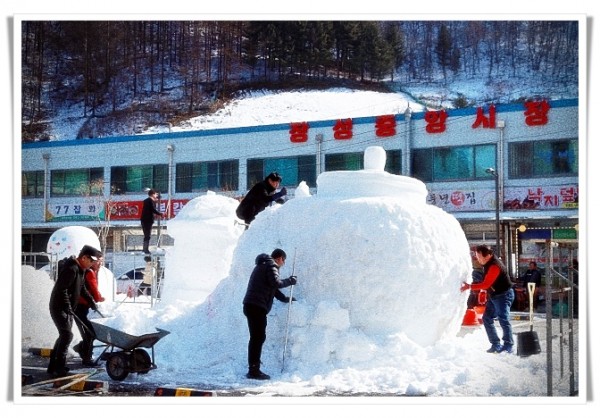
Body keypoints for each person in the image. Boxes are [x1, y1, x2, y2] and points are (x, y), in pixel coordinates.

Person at [47, 245, 103, 377]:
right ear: (84, 257)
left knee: (64, 335)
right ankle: (58, 368)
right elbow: (62, 290)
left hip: (67, 308)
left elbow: (82, 288)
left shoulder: (81, 269)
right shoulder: (71, 269)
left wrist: (91, 302)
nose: (92, 263)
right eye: (91, 260)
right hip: (59, 307)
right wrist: (68, 306)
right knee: (67, 335)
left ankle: (53, 366)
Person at [242, 248, 297, 380]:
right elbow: (276, 283)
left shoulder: (263, 265)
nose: (283, 264)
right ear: (280, 258)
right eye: (284, 261)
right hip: (256, 306)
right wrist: (290, 281)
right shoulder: (271, 265)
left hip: (251, 305)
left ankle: (253, 368)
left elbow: (272, 288)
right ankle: (254, 370)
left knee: (257, 337)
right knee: (258, 338)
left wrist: (285, 299)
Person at [461, 245, 515, 354]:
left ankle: (508, 345)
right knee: (487, 318)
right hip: (494, 295)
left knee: (503, 319)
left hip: (503, 295)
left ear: (488, 255)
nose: (478, 259)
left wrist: (469, 286)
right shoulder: (487, 263)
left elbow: (486, 284)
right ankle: (495, 344)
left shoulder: (495, 266)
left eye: (479, 256)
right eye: (476, 256)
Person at [72, 255, 105, 366]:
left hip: (81, 306)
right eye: (98, 261)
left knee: (88, 333)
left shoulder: (87, 271)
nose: (100, 264)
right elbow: (93, 289)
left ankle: (81, 349)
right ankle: (86, 357)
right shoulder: (89, 272)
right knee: (90, 333)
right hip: (81, 306)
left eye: (101, 261)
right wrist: (98, 299)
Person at [140, 188, 164, 254]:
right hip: (147, 220)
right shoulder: (149, 201)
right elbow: (152, 209)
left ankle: (145, 249)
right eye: (156, 194)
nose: (156, 195)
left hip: (146, 220)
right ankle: (145, 249)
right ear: (153, 194)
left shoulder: (149, 201)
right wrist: (160, 214)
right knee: (147, 235)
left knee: (147, 235)